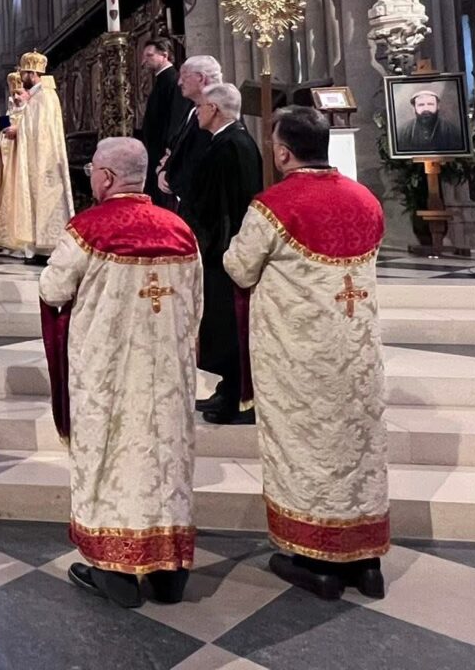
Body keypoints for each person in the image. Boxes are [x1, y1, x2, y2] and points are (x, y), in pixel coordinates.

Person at [225, 107, 389, 601]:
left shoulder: (274, 206)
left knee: (307, 451)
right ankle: (366, 563)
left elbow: (238, 266)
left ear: (282, 152)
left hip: (298, 358)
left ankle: (316, 560)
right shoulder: (366, 200)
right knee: (358, 450)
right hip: (358, 354)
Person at [38, 138, 201, 609]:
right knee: (165, 464)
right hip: (167, 376)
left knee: (111, 463)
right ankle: (169, 570)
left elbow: (52, 289)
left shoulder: (88, 230)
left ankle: (115, 572)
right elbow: (196, 304)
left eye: (93, 170)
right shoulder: (180, 231)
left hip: (108, 376)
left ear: (106, 177)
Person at [185, 82, 263, 424]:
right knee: (219, 323)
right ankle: (228, 389)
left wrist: (208, 243)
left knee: (226, 323)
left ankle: (236, 396)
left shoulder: (231, 146)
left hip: (224, 249)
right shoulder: (230, 142)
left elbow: (226, 206)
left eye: (201, 106)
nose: (198, 111)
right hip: (222, 245)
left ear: (214, 109)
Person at [2, 51, 74, 261]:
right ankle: (36, 246)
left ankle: (46, 247)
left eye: (24, 72)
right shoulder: (33, 97)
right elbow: (25, 125)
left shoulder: (45, 96)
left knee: (43, 200)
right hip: (26, 156)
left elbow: (42, 131)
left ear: (32, 73)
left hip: (44, 161)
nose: (21, 76)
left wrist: (18, 130)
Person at [157, 54, 222, 211]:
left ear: (200, 78)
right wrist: (165, 169)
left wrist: (170, 175)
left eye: (184, 77)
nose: (179, 82)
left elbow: (202, 158)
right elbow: (177, 147)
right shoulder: (193, 109)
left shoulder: (218, 111)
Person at [138, 38, 190, 205]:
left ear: (165, 55)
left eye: (149, 55)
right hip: (156, 153)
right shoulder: (162, 80)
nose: (144, 61)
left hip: (163, 155)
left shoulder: (173, 81)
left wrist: (168, 155)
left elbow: (176, 119)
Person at [0, 70, 32, 256]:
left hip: (22, 163)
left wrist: (19, 130)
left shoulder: (32, 112)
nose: (16, 97)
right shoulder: (9, 110)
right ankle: (6, 237)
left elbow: (34, 132)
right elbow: (2, 131)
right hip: (7, 162)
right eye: (13, 93)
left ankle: (21, 241)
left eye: (19, 93)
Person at [396, 87, 465, 153]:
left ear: (438, 107)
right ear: (414, 109)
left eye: (430, 104)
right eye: (421, 105)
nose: (426, 108)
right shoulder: (403, 132)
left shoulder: (451, 131)